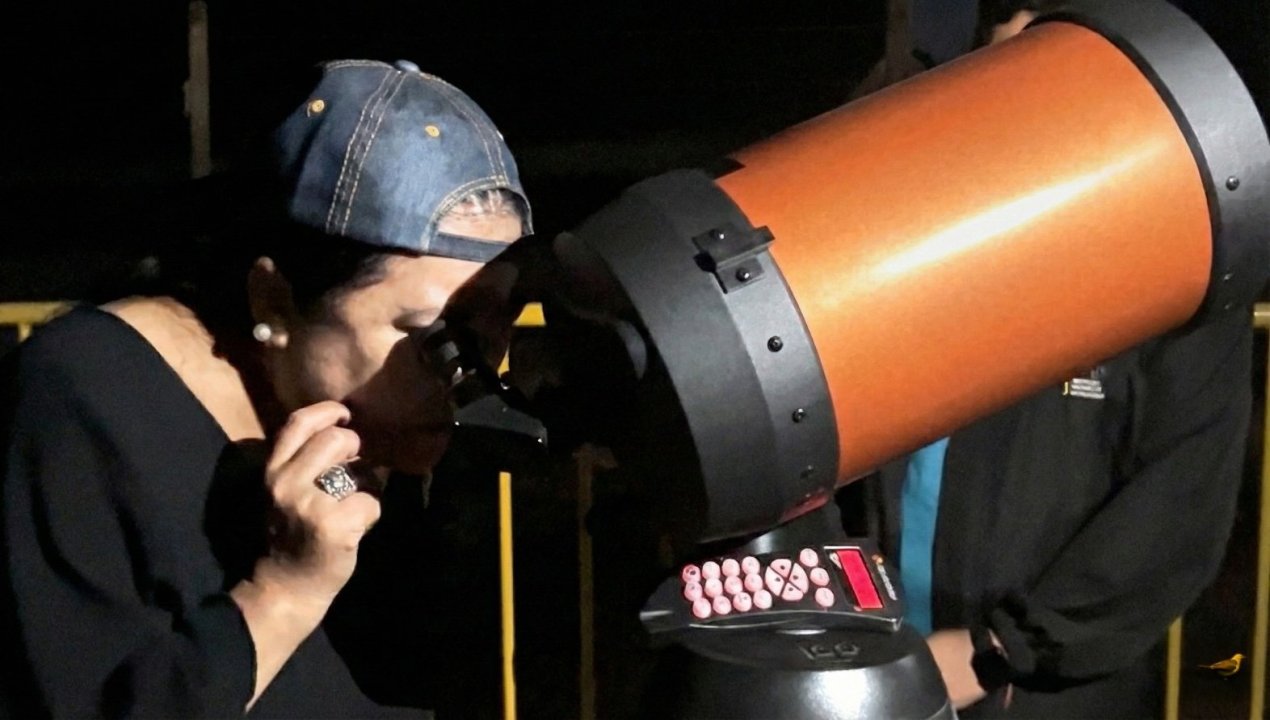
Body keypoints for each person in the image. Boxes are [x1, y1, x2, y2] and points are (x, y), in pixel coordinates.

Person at [0, 58, 531, 718]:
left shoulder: (370, 422)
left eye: (496, 320)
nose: (470, 371)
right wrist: (283, 594)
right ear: (274, 302)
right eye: (431, 333)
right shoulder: (83, 397)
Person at [837, 2, 1253, 716]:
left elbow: (1177, 508)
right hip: (879, 667)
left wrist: (1000, 650)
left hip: (1041, 690)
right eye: (996, 76)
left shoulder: (1182, 263)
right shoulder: (923, 223)